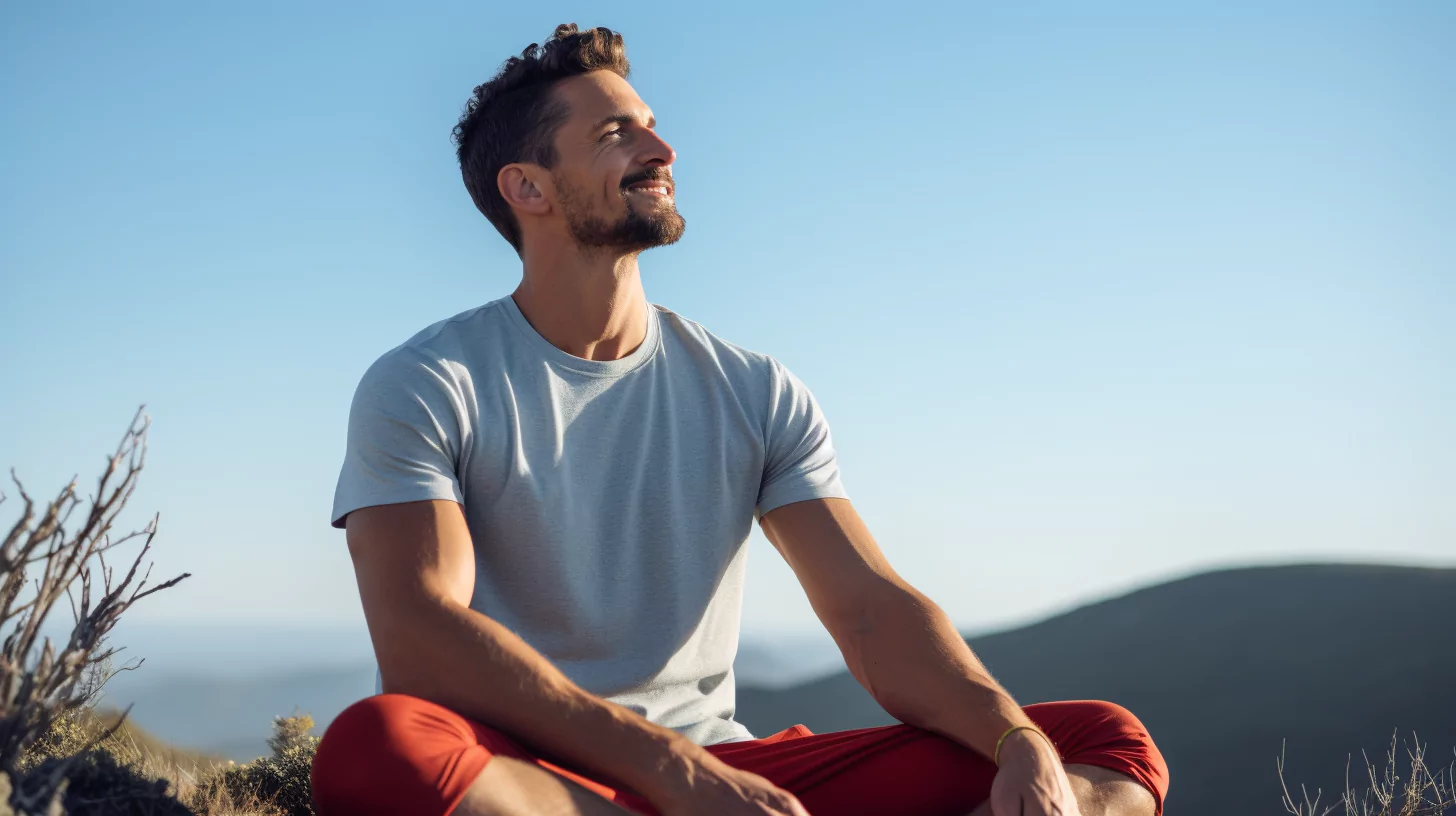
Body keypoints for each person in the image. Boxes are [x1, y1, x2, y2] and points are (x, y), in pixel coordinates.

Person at [309, 23, 1169, 816]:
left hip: (733, 780)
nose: (664, 147)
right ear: (527, 187)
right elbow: (421, 636)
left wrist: (1012, 739)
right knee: (374, 750)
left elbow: (868, 610)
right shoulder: (428, 382)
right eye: (618, 135)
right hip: (541, 782)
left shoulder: (753, 389)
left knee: (1098, 740)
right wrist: (672, 773)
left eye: (651, 124)